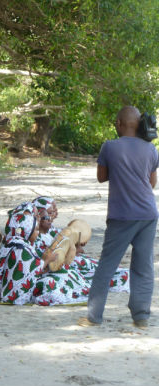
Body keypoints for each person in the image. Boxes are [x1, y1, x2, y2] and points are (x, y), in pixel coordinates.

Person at [80, 106, 158, 328]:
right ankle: (141, 317)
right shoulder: (150, 149)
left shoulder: (110, 147)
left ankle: (93, 317)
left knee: (107, 265)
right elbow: (151, 183)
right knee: (143, 266)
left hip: (121, 215)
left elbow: (101, 177)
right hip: (148, 214)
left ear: (120, 124)